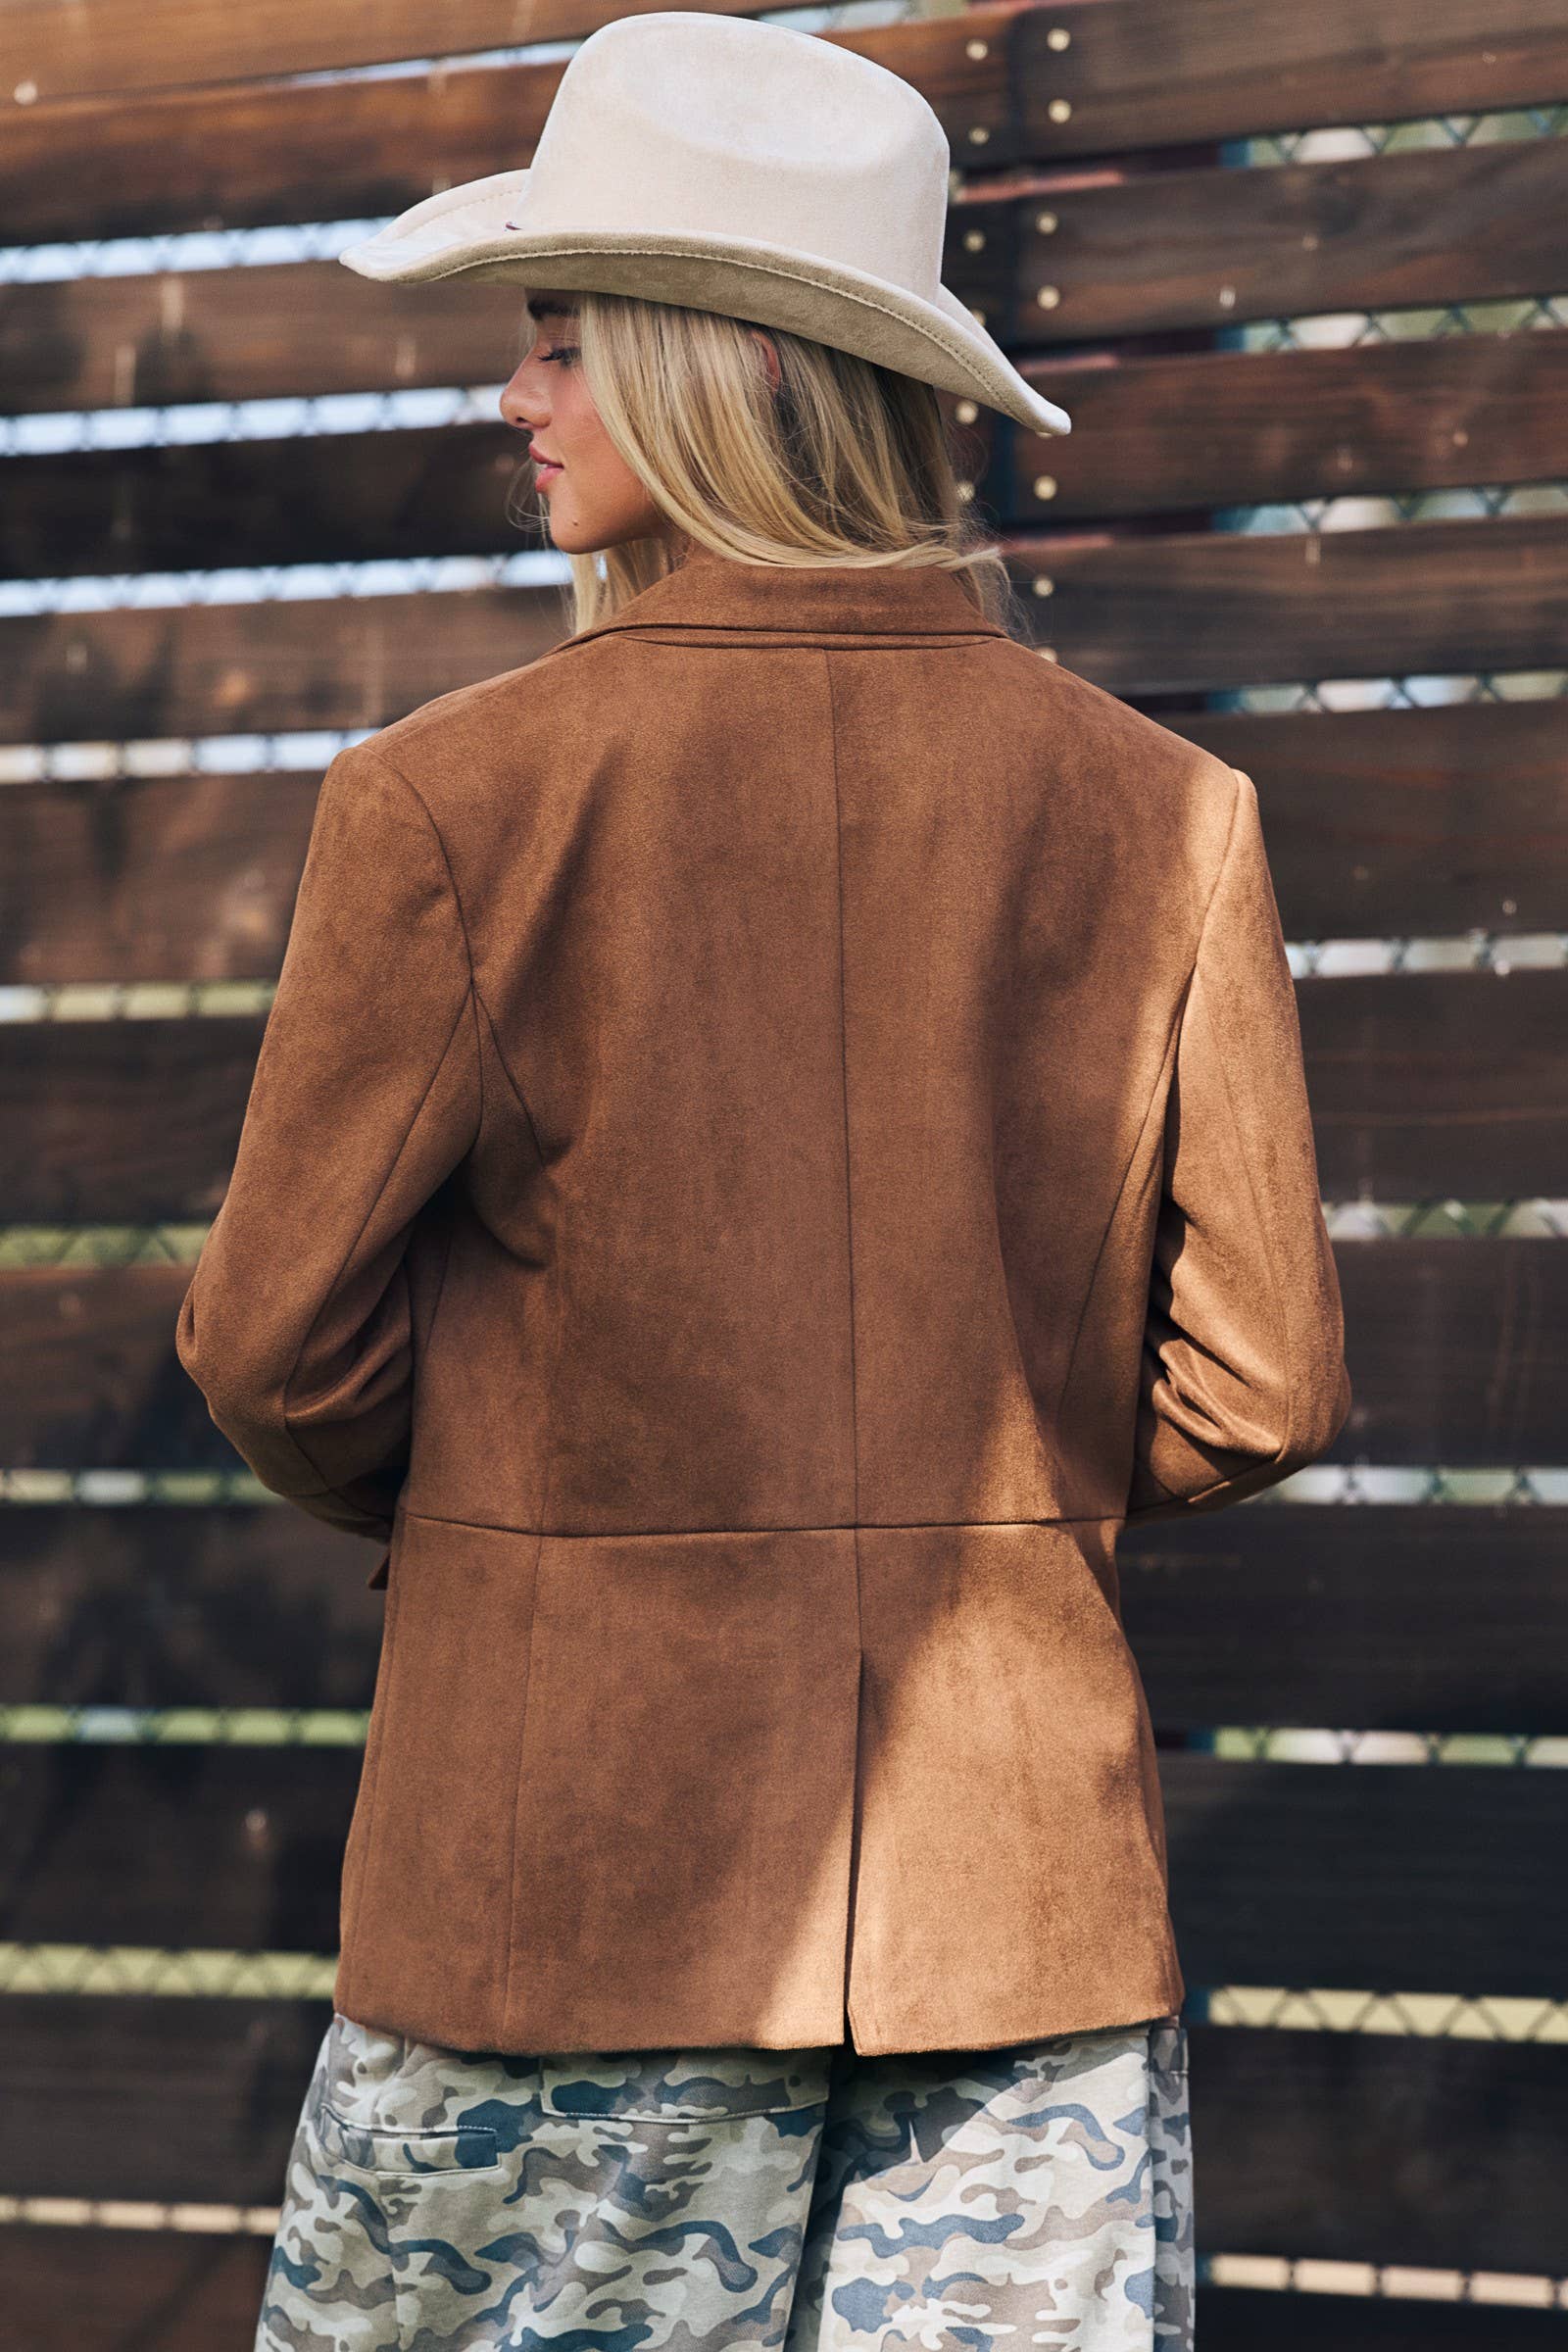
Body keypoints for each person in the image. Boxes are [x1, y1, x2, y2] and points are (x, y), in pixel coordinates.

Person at [173, 16, 1351, 2349]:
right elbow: (1261, 1385)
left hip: (565, 1908)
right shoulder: (1160, 814)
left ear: (729, 368)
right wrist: (954, 1507)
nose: (511, 398)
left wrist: (560, 1509)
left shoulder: (451, 803)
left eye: (557, 340)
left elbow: (272, 1349)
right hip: (1015, 1941)